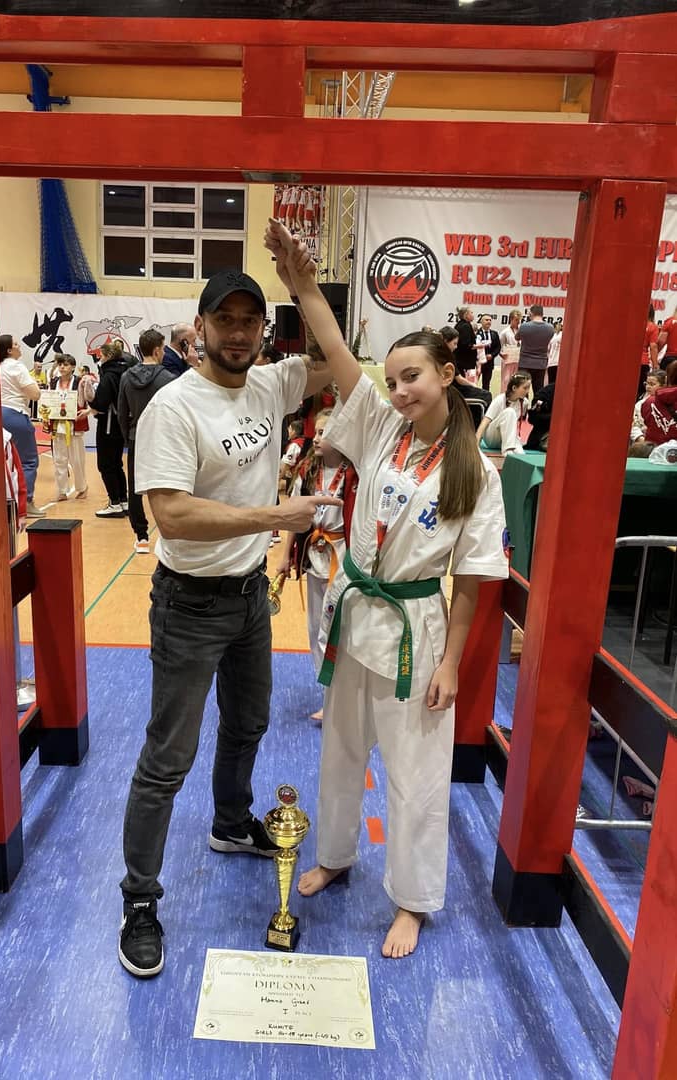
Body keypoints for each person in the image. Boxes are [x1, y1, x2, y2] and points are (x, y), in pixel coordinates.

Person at [265, 219, 508, 959]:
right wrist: (303, 286)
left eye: (413, 377)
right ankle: (336, 855)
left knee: (415, 773)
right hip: (356, 612)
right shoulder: (378, 428)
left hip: (416, 630)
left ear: (447, 375)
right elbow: (339, 354)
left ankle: (412, 899)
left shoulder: (475, 472)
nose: (398, 390)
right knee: (341, 749)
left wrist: (452, 664)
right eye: (393, 379)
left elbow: (472, 585)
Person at [118, 267, 338, 979]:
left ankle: (230, 822)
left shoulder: (272, 383)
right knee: (166, 759)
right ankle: (140, 901)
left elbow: (341, 358)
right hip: (188, 604)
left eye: (250, 320)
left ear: (263, 330)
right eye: (226, 320)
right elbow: (172, 514)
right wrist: (275, 516)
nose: (238, 333)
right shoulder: (175, 406)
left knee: (248, 723)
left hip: (247, 598)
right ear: (201, 326)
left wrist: (305, 285)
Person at [274, 408, 357, 723]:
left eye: (325, 433)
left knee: (337, 630)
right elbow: (296, 518)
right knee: (315, 628)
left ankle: (343, 699)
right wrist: (285, 556)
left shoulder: (354, 473)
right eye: (317, 432)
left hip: (343, 558)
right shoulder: (307, 470)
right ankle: (329, 695)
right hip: (314, 556)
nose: (317, 438)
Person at [117, 328, 174, 553]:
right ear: (158, 350)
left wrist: (128, 436)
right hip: (162, 439)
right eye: (163, 349)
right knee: (168, 486)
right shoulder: (168, 379)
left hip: (136, 438)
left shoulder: (126, 377)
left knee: (134, 487)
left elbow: (122, 412)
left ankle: (141, 537)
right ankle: (168, 534)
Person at [0, 334, 44, 518]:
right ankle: (26, 503)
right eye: (16, 343)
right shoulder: (16, 366)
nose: (19, 345)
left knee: (4, 461)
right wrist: (34, 385)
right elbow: (35, 394)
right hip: (15, 414)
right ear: (9, 350)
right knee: (28, 461)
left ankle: (5, 500)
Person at [89, 341, 130, 518]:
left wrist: (91, 399)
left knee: (105, 465)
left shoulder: (109, 375)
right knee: (117, 464)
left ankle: (114, 503)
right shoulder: (126, 370)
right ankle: (123, 501)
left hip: (108, 424)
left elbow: (101, 403)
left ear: (107, 356)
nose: (99, 359)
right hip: (121, 424)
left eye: (101, 355)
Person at [45, 354, 90, 501]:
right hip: (57, 425)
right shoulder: (53, 382)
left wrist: (87, 383)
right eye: (60, 365)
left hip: (74, 426)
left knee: (77, 460)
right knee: (59, 459)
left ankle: (82, 488)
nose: (62, 367)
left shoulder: (79, 381)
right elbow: (48, 401)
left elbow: (84, 401)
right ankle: (62, 491)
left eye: (65, 365)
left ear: (72, 367)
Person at [475, 372, 532, 455]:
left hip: (505, 437)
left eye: (528, 388)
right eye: (525, 388)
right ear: (514, 388)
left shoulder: (525, 403)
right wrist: (476, 441)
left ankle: (511, 448)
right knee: (510, 412)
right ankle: (507, 451)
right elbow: (485, 421)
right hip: (492, 438)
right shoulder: (500, 399)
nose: (527, 391)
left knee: (521, 453)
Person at [516, 305, 554, 395]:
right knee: (538, 390)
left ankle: (523, 404)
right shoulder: (550, 328)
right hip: (541, 363)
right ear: (542, 314)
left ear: (531, 313)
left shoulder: (524, 326)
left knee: (522, 390)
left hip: (525, 363)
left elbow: (517, 337)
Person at [641, 359, 677, 446]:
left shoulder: (649, 402)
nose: (648, 387)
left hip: (654, 450)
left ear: (667, 379)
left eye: (652, 384)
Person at [631, 370, 666, 445]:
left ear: (663, 386)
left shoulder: (670, 403)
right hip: (645, 443)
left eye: (652, 384)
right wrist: (640, 438)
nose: (648, 387)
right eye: (646, 383)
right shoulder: (639, 404)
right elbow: (634, 425)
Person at [476, 314, 501, 394]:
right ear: (481, 321)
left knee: (486, 384)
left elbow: (498, 347)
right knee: (474, 382)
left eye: (490, 320)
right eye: (486, 320)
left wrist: (492, 355)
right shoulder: (476, 333)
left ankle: (485, 398)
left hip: (489, 363)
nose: (489, 322)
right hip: (478, 363)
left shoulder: (494, 333)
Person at [499, 308, 522, 393]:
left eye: (519, 320)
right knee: (506, 380)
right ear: (511, 319)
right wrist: (501, 354)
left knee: (517, 381)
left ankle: (515, 397)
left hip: (518, 359)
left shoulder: (521, 331)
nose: (518, 322)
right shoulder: (504, 332)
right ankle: (504, 397)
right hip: (508, 359)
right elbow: (499, 347)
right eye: (516, 320)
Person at [453, 306, 478, 382]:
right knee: (464, 382)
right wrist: (478, 346)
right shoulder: (465, 326)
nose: (473, 314)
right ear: (466, 315)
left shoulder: (461, 324)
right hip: (463, 362)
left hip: (460, 360)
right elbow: (466, 345)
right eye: (471, 313)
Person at [546, 319, 563, 386]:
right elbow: (548, 349)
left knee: (557, 382)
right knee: (551, 383)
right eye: (557, 325)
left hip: (559, 362)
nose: (558, 326)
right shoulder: (552, 336)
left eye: (560, 325)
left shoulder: (562, 335)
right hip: (551, 363)